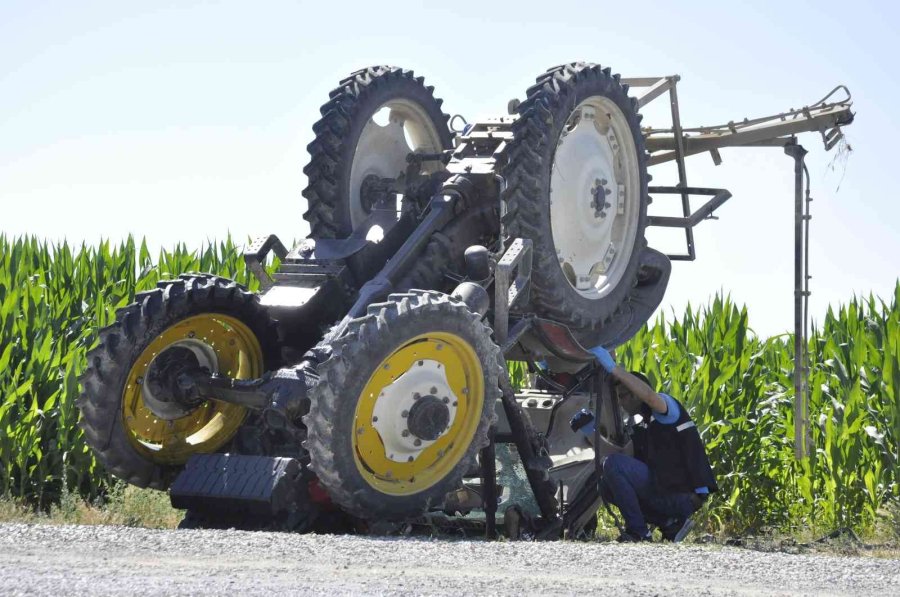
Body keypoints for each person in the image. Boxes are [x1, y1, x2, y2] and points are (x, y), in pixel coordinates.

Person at [570, 345, 718, 543]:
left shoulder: (667, 409)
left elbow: (649, 396)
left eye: (622, 396)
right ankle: (670, 523)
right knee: (605, 484)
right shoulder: (643, 425)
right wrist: (591, 433)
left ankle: (639, 532)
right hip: (665, 493)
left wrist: (613, 368)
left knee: (613, 466)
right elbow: (618, 458)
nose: (621, 402)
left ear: (635, 394)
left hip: (683, 496)